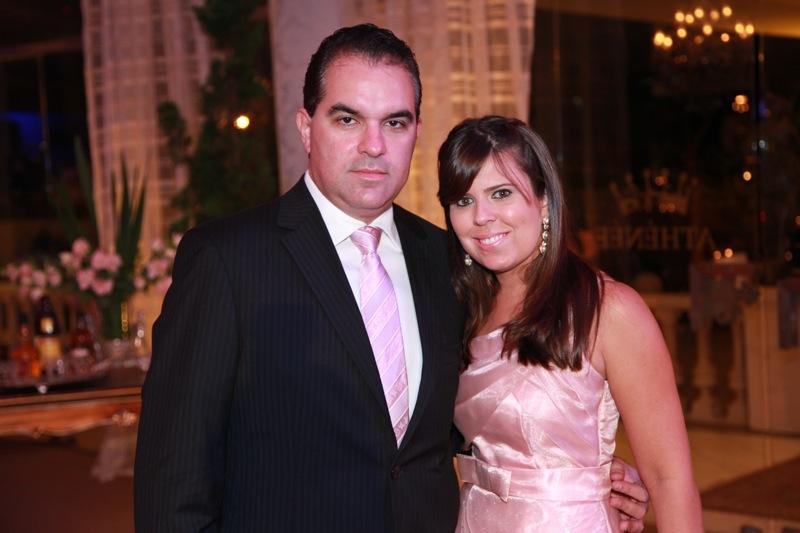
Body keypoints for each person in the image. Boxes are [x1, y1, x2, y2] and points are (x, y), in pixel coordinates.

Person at [134, 24, 649, 532]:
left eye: (395, 122)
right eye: (348, 119)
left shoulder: (448, 259)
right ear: (306, 127)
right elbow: (173, 479)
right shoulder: (227, 259)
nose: (374, 145)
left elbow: (459, 422)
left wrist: (574, 472)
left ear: (416, 132)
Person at [437, 116, 703, 532]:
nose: (481, 216)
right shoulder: (460, 309)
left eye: (501, 193)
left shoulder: (608, 310)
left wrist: (584, 475)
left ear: (543, 199)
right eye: (463, 200)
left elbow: (670, 479)